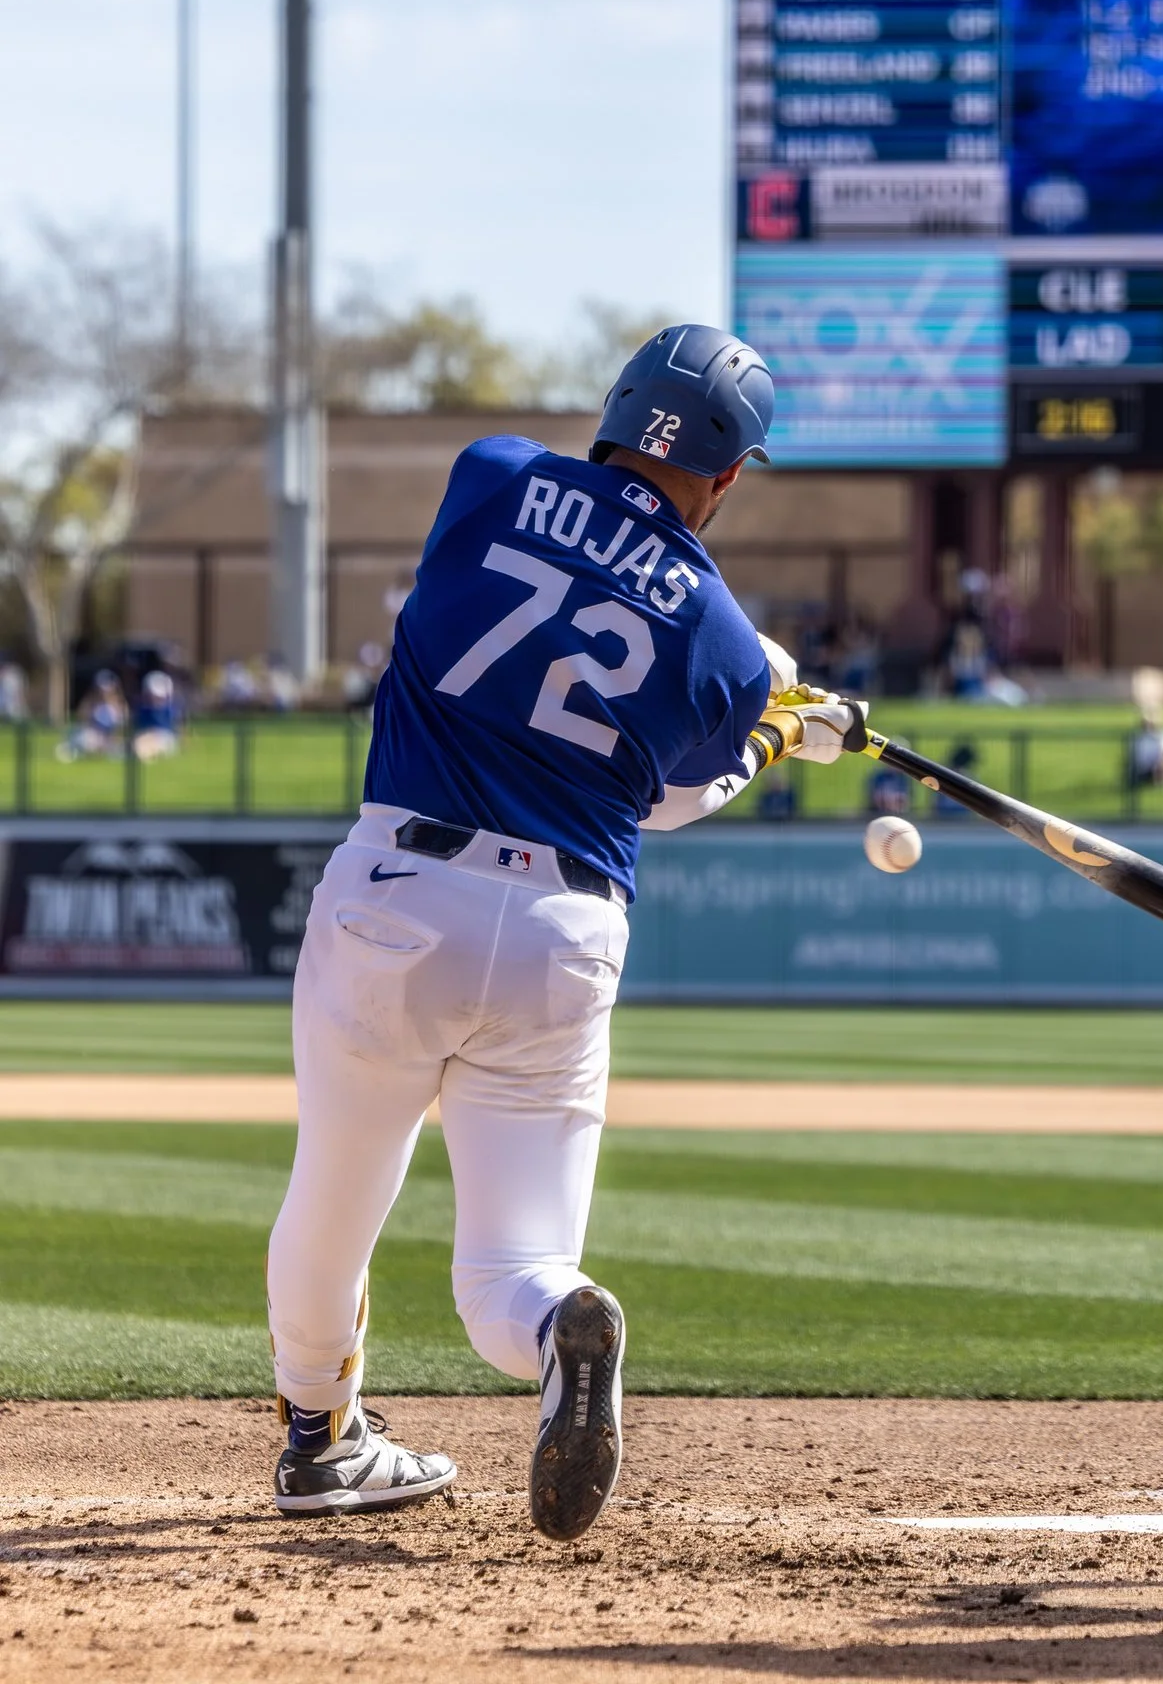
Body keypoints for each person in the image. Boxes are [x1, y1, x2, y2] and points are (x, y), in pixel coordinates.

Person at [260, 325, 864, 1534]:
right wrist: (773, 730)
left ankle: (322, 1439)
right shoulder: (726, 640)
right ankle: (555, 1322)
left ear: (616, 410)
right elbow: (668, 798)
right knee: (514, 1264)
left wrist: (759, 707)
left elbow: (549, 588)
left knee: (335, 1187)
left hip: (395, 887)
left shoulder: (489, 472)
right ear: (729, 474)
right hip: (562, 923)